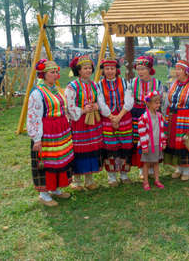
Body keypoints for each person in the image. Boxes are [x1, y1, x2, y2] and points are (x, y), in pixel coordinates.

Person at [27, 59, 74, 206]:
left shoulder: (55, 89)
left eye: (56, 72)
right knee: (47, 161)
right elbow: (34, 116)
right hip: (47, 131)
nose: (55, 75)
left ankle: (56, 188)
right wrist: (37, 138)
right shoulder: (37, 93)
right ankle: (44, 193)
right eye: (51, 72)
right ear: (43, 74)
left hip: (60, 129)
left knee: (59, 159)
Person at [65, 55, 111, 191]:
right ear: (78, 70)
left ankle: (89, 180)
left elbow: (101, 100)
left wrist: (97, 106)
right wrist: (83, 110)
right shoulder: (72, 87)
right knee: (80, 150)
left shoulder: (94, 85)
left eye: (90, 68)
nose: (88, 70)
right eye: (85, 68)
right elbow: (69, 106)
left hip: (94, 122)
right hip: (79, 123)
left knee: (92, 149)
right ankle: (77, 180)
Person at [164, 60, 189, 181]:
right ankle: (178, 168)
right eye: (176, 69)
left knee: (184, 142)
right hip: (172, 117)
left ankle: (186, 170)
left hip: (185, 118)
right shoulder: (173, 84)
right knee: (174, 143)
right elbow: (168, 101)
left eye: (180, 69)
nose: (177, 72)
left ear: (186, 72)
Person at [97, 58, 134, 186]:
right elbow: (101, 103)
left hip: (124, 118)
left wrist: (119, 117)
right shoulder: (99, 85)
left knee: (125, 147)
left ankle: (124, 174)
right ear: (103, 70)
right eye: (107, 69)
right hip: (108, 120)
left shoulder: (125, 83)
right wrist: (112, 117)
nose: (110, 71)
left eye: (112, 69)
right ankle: (112, 176)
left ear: (116, 70)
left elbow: (129, 101)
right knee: (111, 149)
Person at [130, 56, 165, 179]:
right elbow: (129, 99)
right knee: (140, 140)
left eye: (143, 69)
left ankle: (152, 167)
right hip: (137, 113)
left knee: (153, 138)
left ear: (149, 69)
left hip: (153, 114)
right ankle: (142, 167)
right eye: (138, 69)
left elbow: (161, 101)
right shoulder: (133, 82)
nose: (140, 72)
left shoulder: (157, 83)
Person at [137, 91, 167, 190]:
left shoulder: (159, 116)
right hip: (148, 145)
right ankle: (145, 181)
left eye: (159, 103)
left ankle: (157, 179)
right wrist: (144, 146)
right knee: (146, 163)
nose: (158, 105)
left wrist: (163, 142)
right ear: (148, 103)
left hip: (157, 143)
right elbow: (142, 133)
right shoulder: (144, 117)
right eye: (156, 103)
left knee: (156, 162)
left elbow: (161, 130)